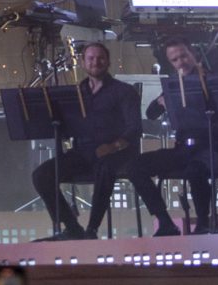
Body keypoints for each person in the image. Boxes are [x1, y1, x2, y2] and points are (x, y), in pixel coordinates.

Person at [128, 37, 218, 234]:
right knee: (135, 167)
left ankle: (203, 223)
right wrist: (162, 101)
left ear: (193, 54)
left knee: (196, 169)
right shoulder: (176, 85)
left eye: (184, 56)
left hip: (215, 148)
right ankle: (165, 221)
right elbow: (151, 114)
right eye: (175, 60)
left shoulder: (213, 81)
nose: (181, 62)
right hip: (185, 149)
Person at [31, 39, 139, 240]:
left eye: (100, 58)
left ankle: (92, 230)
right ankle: (72, 228)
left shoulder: (123, 91)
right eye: (90, 58)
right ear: (82, 62)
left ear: (108, 62)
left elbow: (134, 129)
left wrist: (113, 146)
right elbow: (67, 125)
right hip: (83, 152)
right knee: (41, 175)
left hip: (115, 153)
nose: (95, 62)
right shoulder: (77, 92)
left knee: (105, 168)